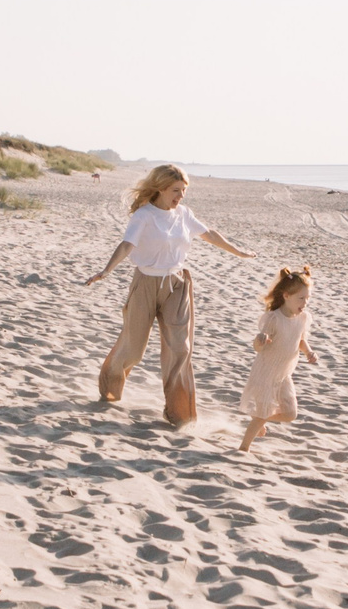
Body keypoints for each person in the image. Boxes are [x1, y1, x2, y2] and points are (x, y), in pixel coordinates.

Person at [83, 165, 253, 426]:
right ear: (161, 188)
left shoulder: (184, 214)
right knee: (134, 349)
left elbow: (208, 234)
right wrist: (107, 269)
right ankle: (109, 387)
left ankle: (180, 415)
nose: (181, 196)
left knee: (180, 349)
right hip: (146, 283)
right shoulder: (145, 215)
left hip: (177, 284)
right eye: (176, 190)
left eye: (184, 191)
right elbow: (127, 244)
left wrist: (237, 251)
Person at [238, 266, 320, 452]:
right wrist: (261, 340)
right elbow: (257, 347)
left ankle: (260, 420)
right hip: (266, 373)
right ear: (286, 296)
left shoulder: (303, 317)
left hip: (284, 374)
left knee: (290, 413)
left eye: (307, 298)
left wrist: (308, 352)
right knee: (262, 414)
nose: (305, 302)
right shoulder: (274, 319)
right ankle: (243, 449)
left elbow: (301, 340)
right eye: (301, 298)